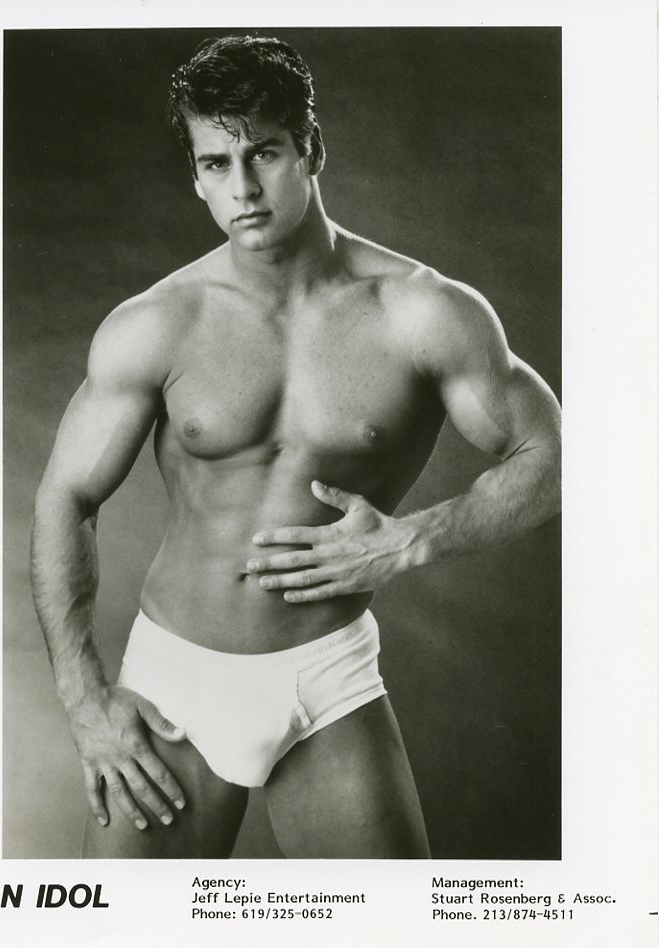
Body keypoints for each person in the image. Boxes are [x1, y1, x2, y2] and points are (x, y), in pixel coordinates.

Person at [31, 34, 561, 859]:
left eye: (264, 153)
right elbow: (67, 496)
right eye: (215, 164)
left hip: (326, 681)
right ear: (195, 176)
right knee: (128, 921)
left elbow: (551, 457)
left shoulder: (420, 312)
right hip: (175, 686)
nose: (242, 188)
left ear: (311, 149)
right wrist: (82, 701)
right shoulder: (157, 323)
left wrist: (413, 540)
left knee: (388, 921)